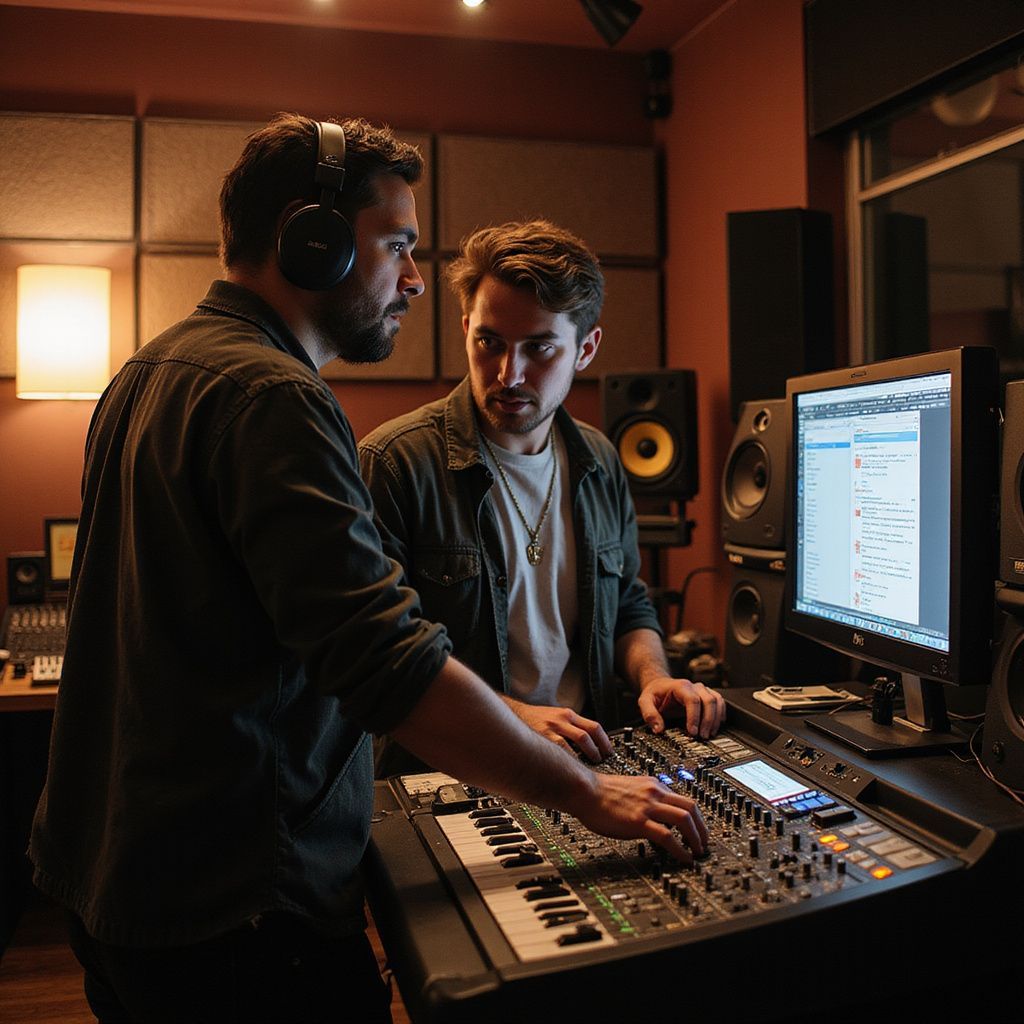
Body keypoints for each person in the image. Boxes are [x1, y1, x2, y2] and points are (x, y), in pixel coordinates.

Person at [28, 116, 708, 1024]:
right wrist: (584, 793)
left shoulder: (150, 369)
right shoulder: (275, 398)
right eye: (396, 244)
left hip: (121, 885)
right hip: (237, 909)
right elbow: (384, 662)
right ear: (311, 241)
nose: (413, 277)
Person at [359, 220, 726, 778]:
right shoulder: (394, 463)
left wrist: (654, 677)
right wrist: (514, 719)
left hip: (590, 762)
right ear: (466, 329)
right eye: (490, 343)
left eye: (539, 348)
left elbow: (629, 605)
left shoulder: (600, 460)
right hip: (448, 773)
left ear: (586, 350)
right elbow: (382, 658)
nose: (509, 375)